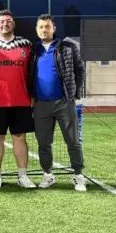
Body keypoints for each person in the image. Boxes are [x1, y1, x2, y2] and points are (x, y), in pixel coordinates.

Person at [0, 9, 37, 189]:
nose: (5, 24)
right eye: (1, 21)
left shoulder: (26, 44)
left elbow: (33, 71)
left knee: (20, 138)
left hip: (21, 101)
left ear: (13, 24)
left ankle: (23, 176)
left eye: (8, 21)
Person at [29, 14, 87, 191]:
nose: (44, 30)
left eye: (47, 26)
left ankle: (78, 175)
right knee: (43, 143)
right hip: (41, 104)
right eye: (41, 27)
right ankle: (48, 175)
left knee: (73, 141)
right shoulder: (33, 50)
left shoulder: (68, 47)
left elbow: (80, 70)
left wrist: (74, 93)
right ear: (36, 30)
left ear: (53, 28)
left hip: (64, 102)